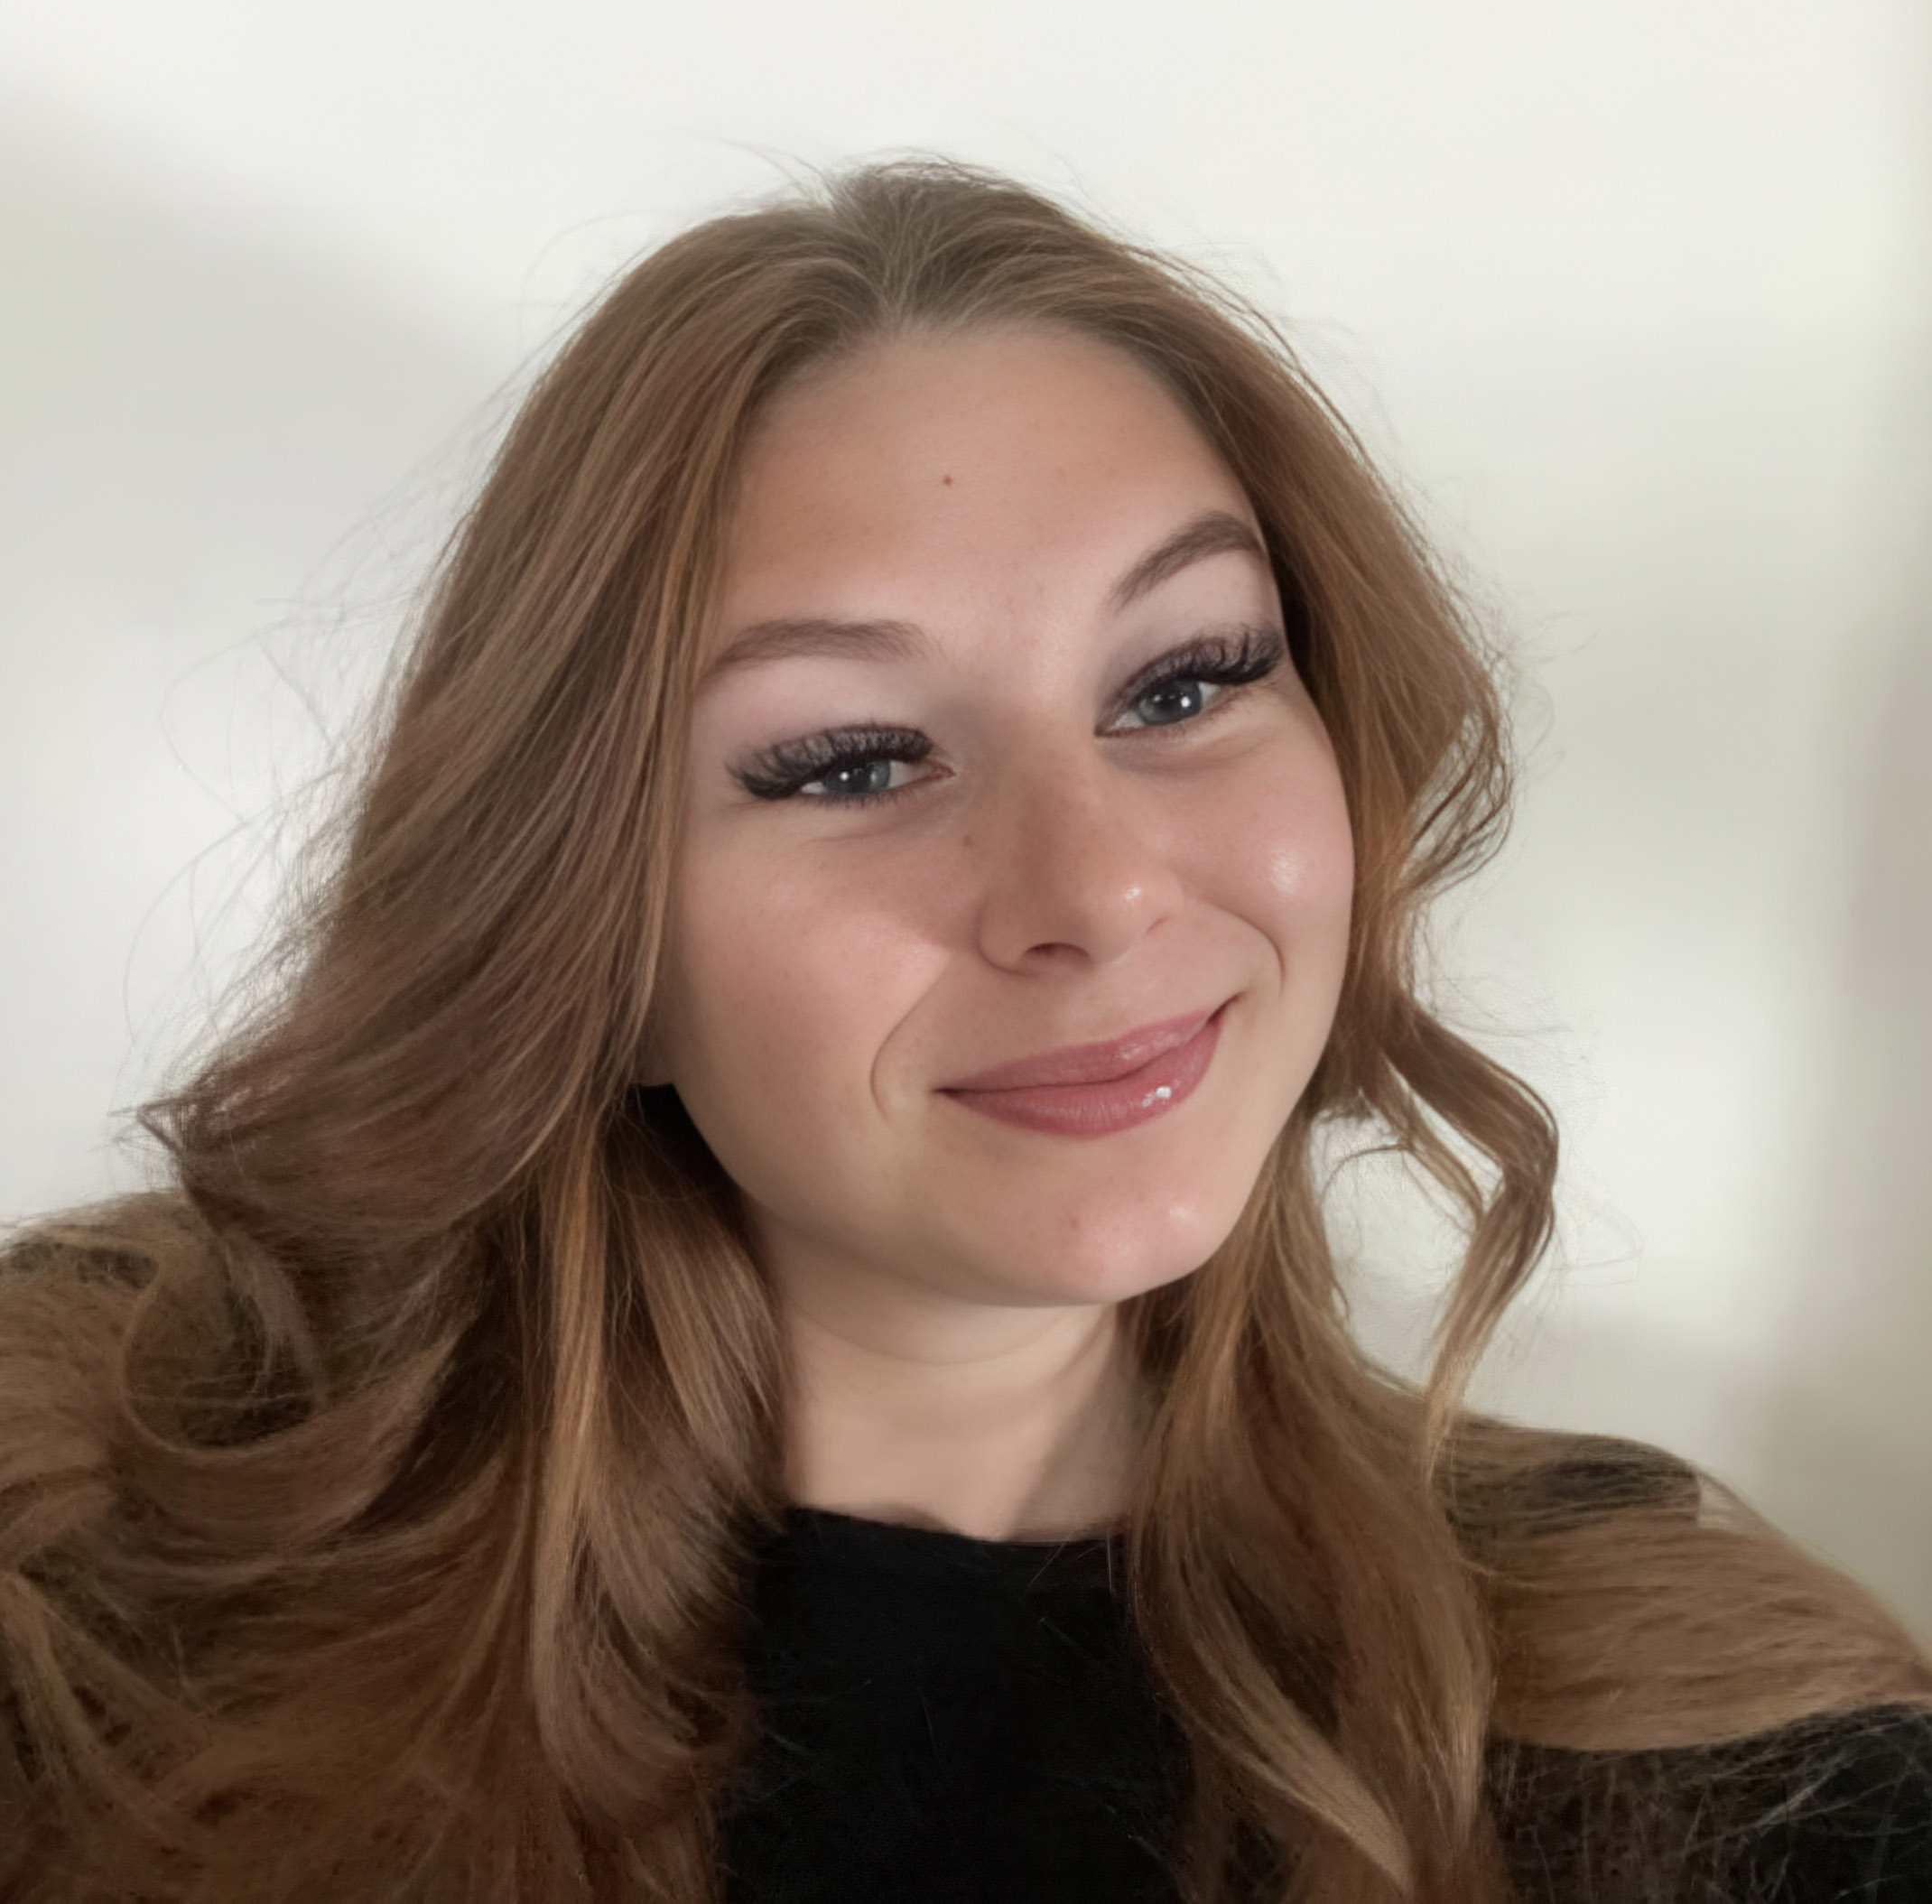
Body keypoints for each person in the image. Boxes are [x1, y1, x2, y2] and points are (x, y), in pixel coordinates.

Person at [1, 159, 1926, 1904]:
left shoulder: (1714, 1771)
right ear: (583, 932)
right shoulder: (79, 1587)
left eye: (1184, 681)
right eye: (851, 759)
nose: (1096, 893)